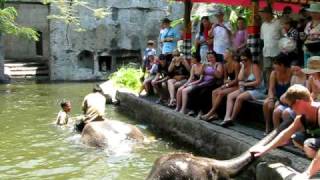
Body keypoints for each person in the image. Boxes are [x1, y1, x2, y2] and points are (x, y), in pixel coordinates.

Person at [250, 84, 320, 179]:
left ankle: (315, 169)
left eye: (291, 106)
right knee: (297, 138)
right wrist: (264, 149)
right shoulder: (301, 117)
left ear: (299, 102)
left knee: (309, 145)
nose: (291, 109)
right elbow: (285, 134)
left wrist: (307, 173)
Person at [221, 48, 265, 127]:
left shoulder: (254, 66)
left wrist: (245, 84)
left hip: (257, 90)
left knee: (239, 97)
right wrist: (242, 67)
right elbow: (239, 79)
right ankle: (226, 117)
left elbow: (258, 82)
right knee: (230, 96)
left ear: (250, 58)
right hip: (247, 89)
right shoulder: (243, 67)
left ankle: (232, 119)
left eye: (245, 60)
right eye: (242, 60)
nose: (244, 61)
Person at [200, 48, 240, 121]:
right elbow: (224, 79)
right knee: (214, 92)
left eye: (225, 53)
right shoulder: (225, 65)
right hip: (229, 84)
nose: (223, 54)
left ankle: (210, 113)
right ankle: (215, 114)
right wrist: (227, 83)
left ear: (230, 54)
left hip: (236, 86)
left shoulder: (236, 64)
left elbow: (237, 80)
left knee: (221, 93)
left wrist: (227, 84)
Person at [187, 51, 224, 116]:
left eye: (212, 57)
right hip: (204, 82)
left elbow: (219, 76)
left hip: (213, 83)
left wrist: (212, 68)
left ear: (215, 57)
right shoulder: (206, 64)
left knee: (203, 93)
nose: (210, 59)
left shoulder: (218, 64)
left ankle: (202, 111)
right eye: (209, 58)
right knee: (192, 91)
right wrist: (203, 67)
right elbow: (200, 74)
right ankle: (193, 110)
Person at [263, 53, 292, 134]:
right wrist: (271, 99)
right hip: (277, 96)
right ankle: (268, 126)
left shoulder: (291, 72)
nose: (273, 66)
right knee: (266, 103)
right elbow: (271, 89)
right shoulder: (274, 73)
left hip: (287, 98)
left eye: (275, 64)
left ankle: (279, 130)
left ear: (282, 65)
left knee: (277, 106)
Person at [259, 6, 282, 88]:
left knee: (277, 70)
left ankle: (278, 88)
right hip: (266, 51)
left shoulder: (278, 23)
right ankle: (270, 89)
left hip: (277, 52)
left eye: (263, 14)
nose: (262, 16)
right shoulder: (263, 25)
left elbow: (283, 36)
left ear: (268, 14)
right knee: (268, 70)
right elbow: (262, 38)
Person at [303, 2, 320, 67]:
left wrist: (316, 38)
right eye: (312, 12)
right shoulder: (309, 24)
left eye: (316, 12)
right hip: (307, 49)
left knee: (316, 69)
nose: (313, 14)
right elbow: (306, 35)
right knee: (307, 68)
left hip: (318, 50)